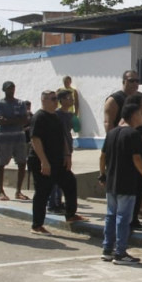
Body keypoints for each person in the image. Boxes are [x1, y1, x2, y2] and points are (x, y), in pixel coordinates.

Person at [99, 95, 142, 264]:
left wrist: (102, 174)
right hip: (126, 183)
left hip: (112, 182)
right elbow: (137, 159)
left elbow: (102, 156)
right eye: (141, 114)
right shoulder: (133, 134)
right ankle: (120, 253)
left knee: (110, 216)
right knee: (123, 218)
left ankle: (107, 249)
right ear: (134, 115)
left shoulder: (112, 133)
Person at [28, 90, 88, 234]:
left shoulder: (55, 116)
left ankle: (71, 214)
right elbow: (35, 140)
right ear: (44, 100)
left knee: (70, 182)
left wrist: (67, 155)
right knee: (43, 192)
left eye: (56, 99)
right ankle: (37, 225)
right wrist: (44, 162)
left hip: (58, 159)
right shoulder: (39, 117)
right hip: (42, 160)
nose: (56, 101)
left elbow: (62, 137)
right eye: (53, 99)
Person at [104, 71, 142, 228]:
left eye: (137, 80)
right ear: (124, 81)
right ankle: (125, 221)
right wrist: (114, 144)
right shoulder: (115, 99)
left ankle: (139, 211)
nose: (135, 83)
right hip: (125, 149)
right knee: (128, 185)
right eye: (132, 80)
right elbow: (109, 124)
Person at [0, 81, 30, 202]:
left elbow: (25, 120)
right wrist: (17, 120)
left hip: (19, 136)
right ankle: (1, 190)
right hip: (5, 137)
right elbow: (0, 121)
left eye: (13, 88)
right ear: (4, 90)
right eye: (9, 88)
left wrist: (8, 120)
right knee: (1, 163)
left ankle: (18, 191)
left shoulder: (20, 103)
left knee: (22, 162)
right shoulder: (0, 104)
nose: (11, 90)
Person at [46, 89, 76, 213]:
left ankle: (59, 201)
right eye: (69, 98)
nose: (72, 100)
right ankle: (52, 204)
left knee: (62, 177)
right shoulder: (56, 114)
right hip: (58, 149)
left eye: (72, 98)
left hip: (68, 147)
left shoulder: (70, 115)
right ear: (61, 100)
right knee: (55, 178)